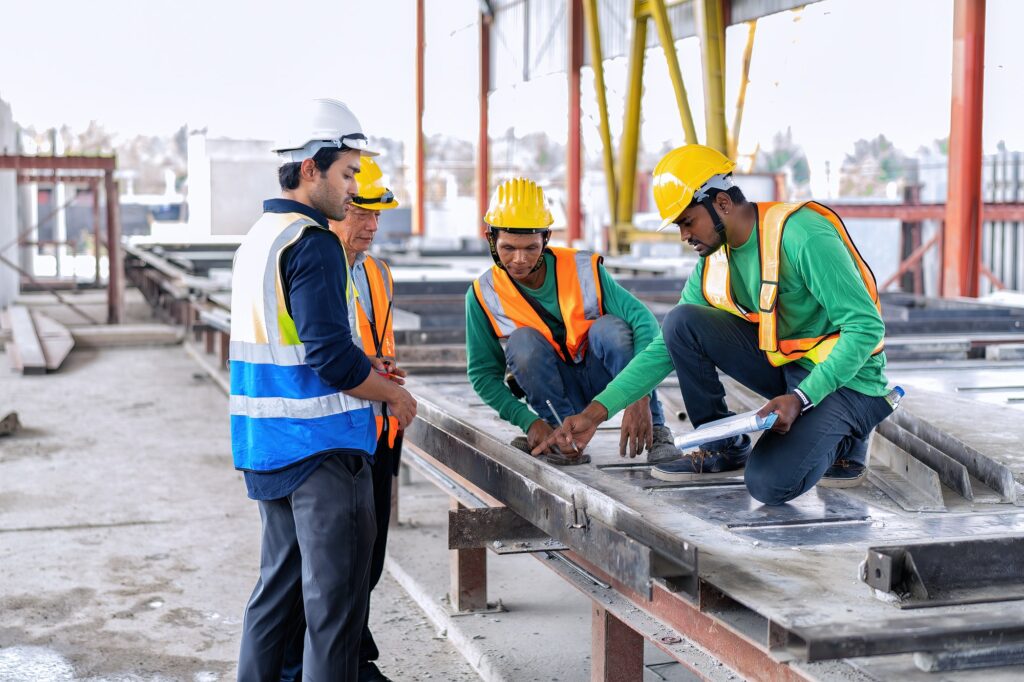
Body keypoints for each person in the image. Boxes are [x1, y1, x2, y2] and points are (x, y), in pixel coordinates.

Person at [537, 144, 895, 502]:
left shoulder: (802, 235)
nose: (683, 236)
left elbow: (865, 328)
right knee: (681, 323)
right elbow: (665, 348)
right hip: (790, 370)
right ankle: (723, 446)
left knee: (770, 484)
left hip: (850, 380)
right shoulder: (715, 258)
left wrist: (802, 398)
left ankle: (851, 431)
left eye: (687, 221)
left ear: (722, 204)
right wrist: (595, 413)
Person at [230, 97, 416, 681]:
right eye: (348, 173)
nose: (353, 187)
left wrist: (365, 363)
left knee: (273, 601)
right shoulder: (313, 243)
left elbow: (293, 342)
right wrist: (391, 393)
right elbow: (330, 358)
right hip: (321, 452)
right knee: (333, 617)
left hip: (267, 447)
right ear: (311, 166)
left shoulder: (259, 237)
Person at [466, 177, 678, 465]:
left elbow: (644, 323)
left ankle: (657, 429)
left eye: (530, 248)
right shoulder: (483, 294)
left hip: (609, 381)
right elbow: (482, 375)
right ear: (491, 239)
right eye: (507, 248)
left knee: (611, 330)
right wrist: (528, 422)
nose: (519, 259)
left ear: (546, 239)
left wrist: (639, 394)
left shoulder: (582, 269)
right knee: (522, 343)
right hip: (553, 394)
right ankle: (556, 434)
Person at [330, 157, 403, 682]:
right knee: (337, 563)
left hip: (378, 430)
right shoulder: (316, 267)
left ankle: (355, 650)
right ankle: (348, 662)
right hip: (335, 436)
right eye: (362, 211)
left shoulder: (376, 273)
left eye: (378, 214)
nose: (373, 226)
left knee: (369, 559)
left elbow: (374, 348)